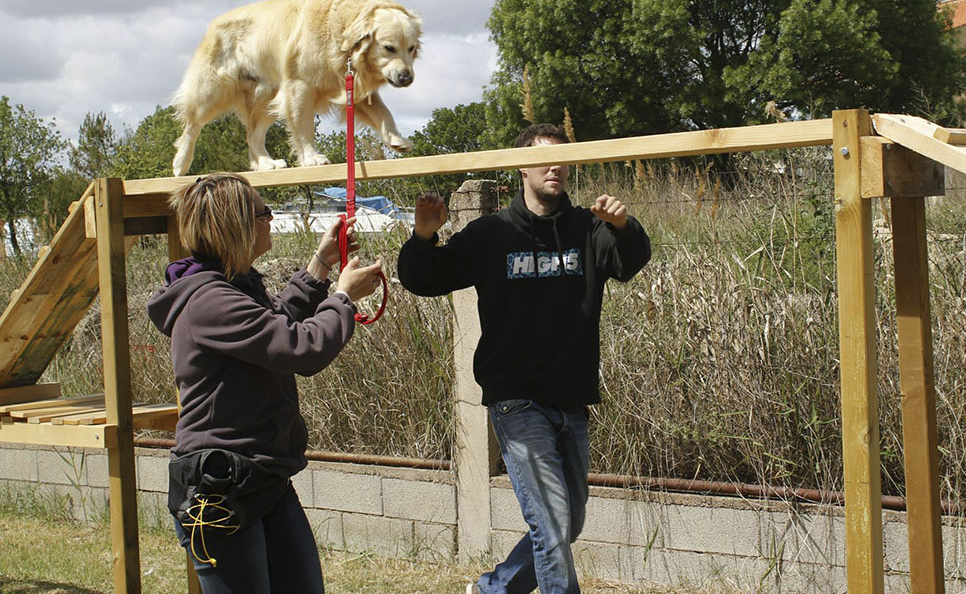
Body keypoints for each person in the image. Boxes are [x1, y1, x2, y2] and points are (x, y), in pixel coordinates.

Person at [398, 124, 651, 594]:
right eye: (543, 159)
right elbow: (425, 278)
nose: (555, 167)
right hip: (516, 400)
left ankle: (492, 590)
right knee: (552, 522)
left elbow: (628, 263)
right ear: (521, 167)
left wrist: (623, 224)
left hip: (571, 400)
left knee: (567, 522)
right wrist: (423, 237)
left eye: (563, 159)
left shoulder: (587, 228)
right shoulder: (492, 233)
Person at [146, 172, 383, 594]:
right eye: (264, 213)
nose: (271, 220)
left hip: (261, 478)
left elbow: (276, 325)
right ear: (236, 225)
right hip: (219, 488)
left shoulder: (233, 286)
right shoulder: (210, 301)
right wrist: (342, 299)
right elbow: (301, 348)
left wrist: (321, 265)